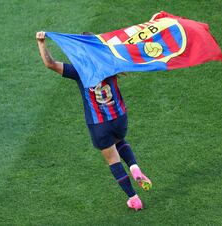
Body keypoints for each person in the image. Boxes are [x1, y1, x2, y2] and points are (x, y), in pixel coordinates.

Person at [36, 31, 152, 211]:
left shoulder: (79, 70)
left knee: (113, 160)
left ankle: (134, 199)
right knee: (119, 140)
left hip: (99, 125)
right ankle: (135, 167)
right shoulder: (111, 62)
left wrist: (41, 42)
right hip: (120, 118)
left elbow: (49, 64)